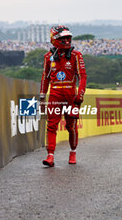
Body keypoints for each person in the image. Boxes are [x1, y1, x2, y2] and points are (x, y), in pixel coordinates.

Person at [40, 25, 87, 167]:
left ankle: (73, 152)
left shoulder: (76, 56)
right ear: (54, 39)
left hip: (71, 97)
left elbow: (82, 76)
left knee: (71, 126)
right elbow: (45, 77)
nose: (66, 40)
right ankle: (50, 155)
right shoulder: (48, 57)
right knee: (51, 125)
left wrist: (80, 94)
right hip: (54, 95)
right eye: (63, 38)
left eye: (68, 37)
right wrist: (42, 97)